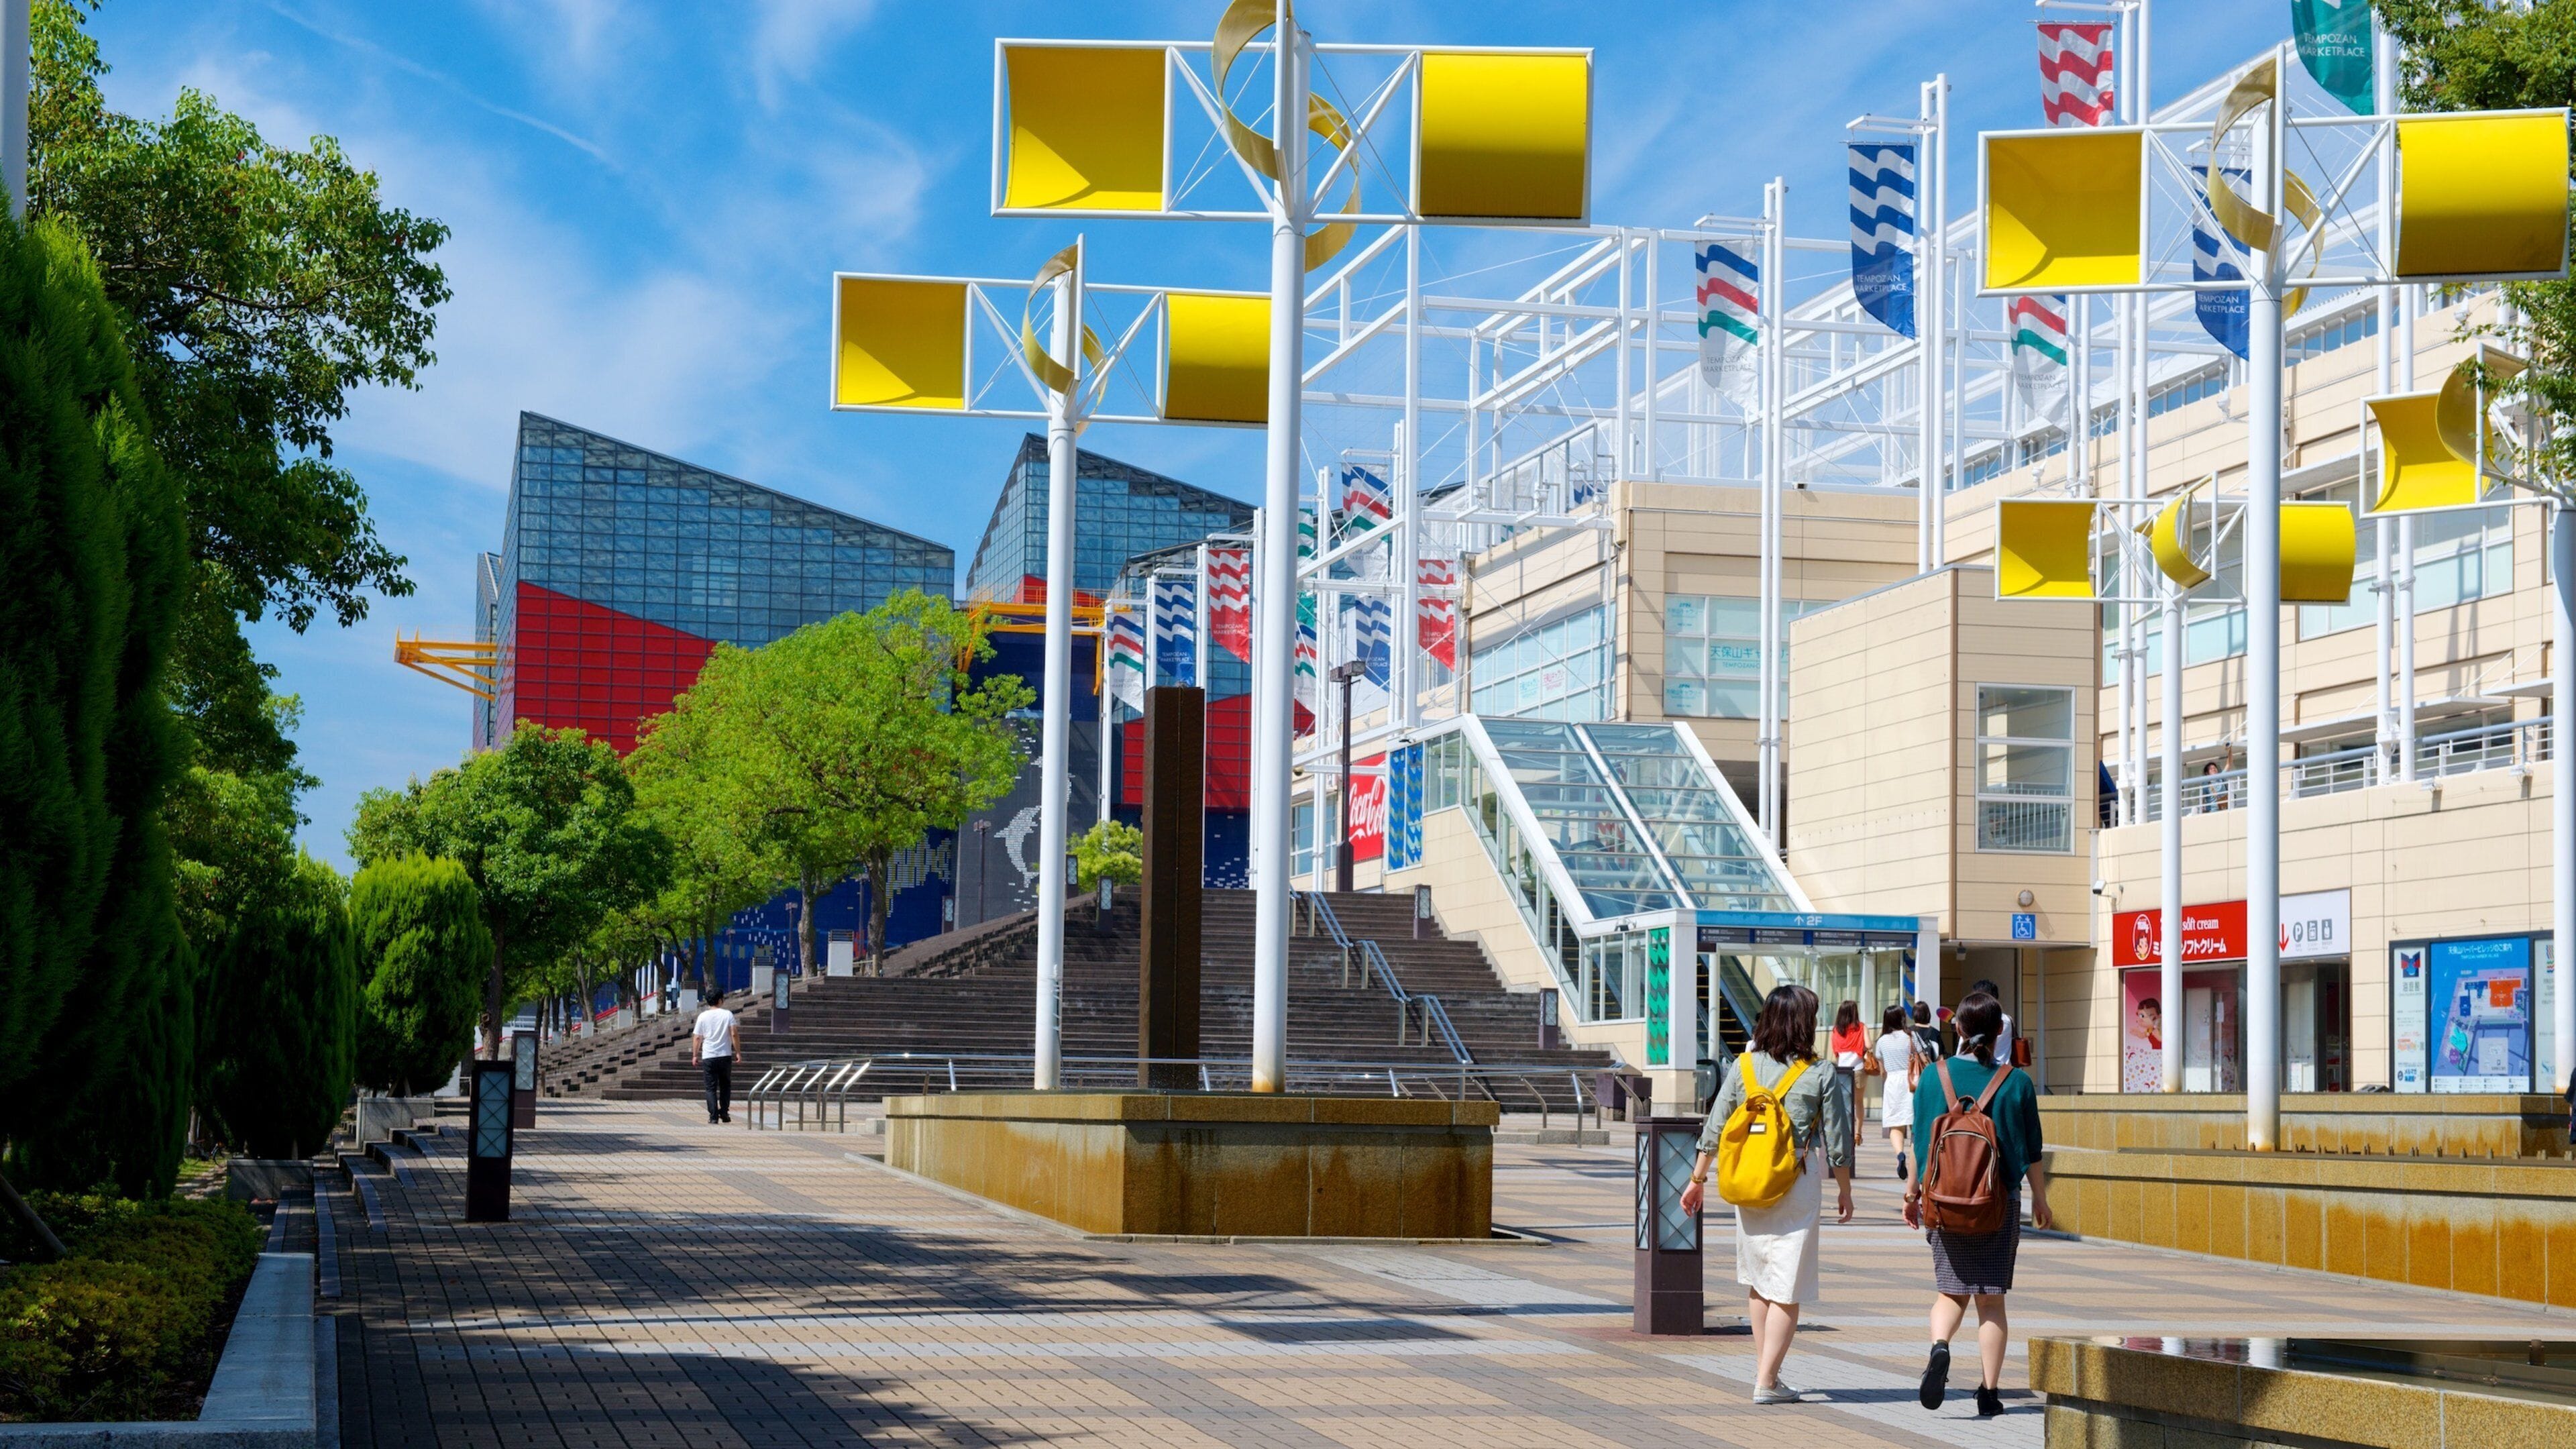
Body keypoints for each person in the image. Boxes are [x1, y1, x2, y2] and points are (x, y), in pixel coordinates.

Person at [1679, 984, 1855, 1405]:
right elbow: (1838, 1140)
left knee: (1759, 1280)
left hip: (1749, 1180)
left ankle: (1768, 1376)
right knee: (1788, 1285)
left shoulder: (1742, 1066)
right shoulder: (1820, 1072)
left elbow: (1715, 1126)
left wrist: (1697, 1180)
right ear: (1804, 1023)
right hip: (1796, 1178)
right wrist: (1845, 1190)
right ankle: (1767, 1379)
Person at [1907, 991, 2050, 1419]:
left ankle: (1939, 1347)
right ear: (2001, 1030)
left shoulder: (1934, 1077)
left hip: (1945, 1205)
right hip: (1997, 1205)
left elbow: (1920, 1144)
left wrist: (1912, 1194)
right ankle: (1988, 1392)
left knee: (1950, 1294)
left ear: (1959, 1029)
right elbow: (2032, 1152)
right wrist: (2040, 1200)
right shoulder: (2017, 1082)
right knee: (1991, 1301)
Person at [1874, 1004, 1921, 1179]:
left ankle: (1900, 1154)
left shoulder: (1882, 1041)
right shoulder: (1912, 1037)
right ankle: (1913, 1164)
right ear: (1903, 1018)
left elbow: (1882, 1071)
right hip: (1911, 1081)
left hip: (1893, 1083)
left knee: (1896, 1125)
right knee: (1914, 1124)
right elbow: (1922, 1057)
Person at [692, 991, 741, 1125]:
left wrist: (695, 1055)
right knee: (725, 1085)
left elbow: (697, 1037)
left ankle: (713, 1116)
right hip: (725, 1055)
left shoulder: (702, 1016)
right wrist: (738, 1052)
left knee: (710, 1088)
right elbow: (734, 1034)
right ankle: (724, 1112)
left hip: (709, 1056)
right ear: (720, 1000)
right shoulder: (728, 1014)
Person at [1830, 1000, 1867, 1161]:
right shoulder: (1861, 1027)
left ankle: (1847, 1131)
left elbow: (1835, 1052)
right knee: (1858, 1102)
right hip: (1858, 1068)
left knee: (1844, 1104)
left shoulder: (1836, 1030)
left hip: (1842, 1071)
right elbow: (1870, 1045)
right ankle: (1858, 1133)